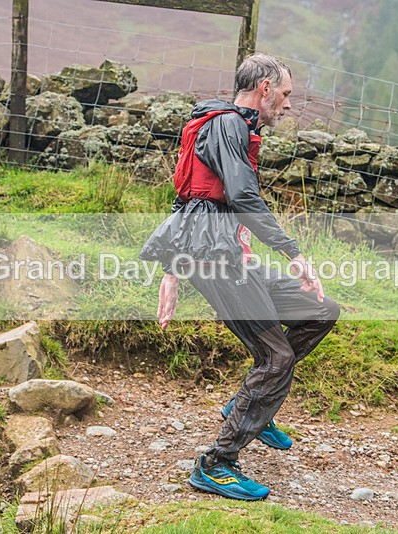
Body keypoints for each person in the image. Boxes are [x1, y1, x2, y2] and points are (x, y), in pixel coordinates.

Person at [139, 53, 340, 501]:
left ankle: (251, 402)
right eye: (286, 94)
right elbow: (241, 196)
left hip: (230, 256)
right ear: (265, 89)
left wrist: (171, 271)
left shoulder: (227, 126)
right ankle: (216, 464)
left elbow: (188, 195)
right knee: (277, 358)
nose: (289, 104)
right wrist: (293, 252)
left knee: (322, 311)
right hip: (215, 261)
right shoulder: (228, 125)